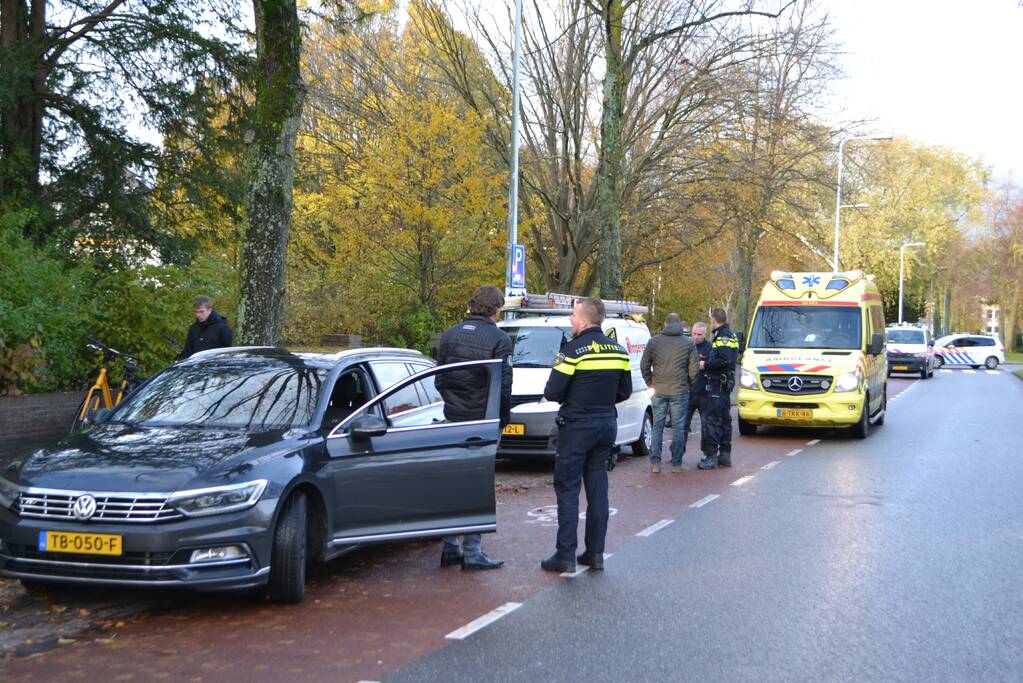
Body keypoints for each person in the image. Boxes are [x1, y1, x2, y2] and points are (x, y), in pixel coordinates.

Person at [540, 298, 632, 573]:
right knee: (598, 489)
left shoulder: (573, 351)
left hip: (577, 426)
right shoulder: (618, 351)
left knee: (568, 489)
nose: (570, 320)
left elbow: (552, 392)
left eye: (572, 316)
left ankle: (565, 555)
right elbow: (624, 392)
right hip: (606, 425)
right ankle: (595, 553)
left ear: (582, 320)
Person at [434, 285, 512, 570]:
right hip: (482, 421)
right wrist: (502, 420)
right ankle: (472, 552)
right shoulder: (499, 339)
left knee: (450, 483)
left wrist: (453, 404)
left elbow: (439, 379)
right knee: (477, 486)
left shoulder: (450, 335)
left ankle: (449, 546)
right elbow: (504, 386)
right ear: (495, 310)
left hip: (452, 418)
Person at [640, 313, 698, 473]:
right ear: (679, 324)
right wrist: (689, 384)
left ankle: (655, 463)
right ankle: (677, 464)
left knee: (657, 426)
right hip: (680, 390)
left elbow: (644, 365)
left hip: (659, 390)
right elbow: (694, 369)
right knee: (679, 427)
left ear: (665, 324)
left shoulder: (653, 342)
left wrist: (650, 382)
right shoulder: (688, 343)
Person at [698, 308, 740, 470]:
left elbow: (724, 360)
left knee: (712, 421)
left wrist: (705, 364)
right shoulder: (730, 335)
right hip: (724, 384)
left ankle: (711, 457)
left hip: (718, 384)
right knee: (724, 420)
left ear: (714, 320)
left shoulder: (722, 336)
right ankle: (724, 455)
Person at [681, 322, 711, 463]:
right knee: (683, 424)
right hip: (688, 392)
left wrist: (704, 365)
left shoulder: (709, 347)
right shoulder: (686, 345)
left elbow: (713, 365)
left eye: (699, 334)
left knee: (705, 424)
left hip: (704, 392)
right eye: (694, 333)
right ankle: (678, 452)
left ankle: (706, 452)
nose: (696, 337)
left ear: (705, 334)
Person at [178, 295, 233, 360]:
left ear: (209, 310)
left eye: (201, 311)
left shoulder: (223, 328)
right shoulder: (194, 328)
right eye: (196, 312)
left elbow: (229, 353)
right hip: (196, 367)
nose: (198, 315)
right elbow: (187, 352)